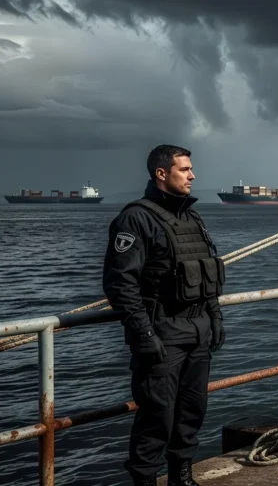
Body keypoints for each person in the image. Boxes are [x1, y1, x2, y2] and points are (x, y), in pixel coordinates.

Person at [103, 145, 226, 486]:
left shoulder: (192, 217)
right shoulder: (136, 218)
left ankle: (181, 478)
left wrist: (215, 317)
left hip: (197, 332)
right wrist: (144, 335)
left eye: (191, 169)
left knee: (191, 412)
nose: (193, 175)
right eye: (185, 169)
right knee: (157, 417)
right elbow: (120, 284)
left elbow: (205, 276)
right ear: (162, 173)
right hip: (162, 334)